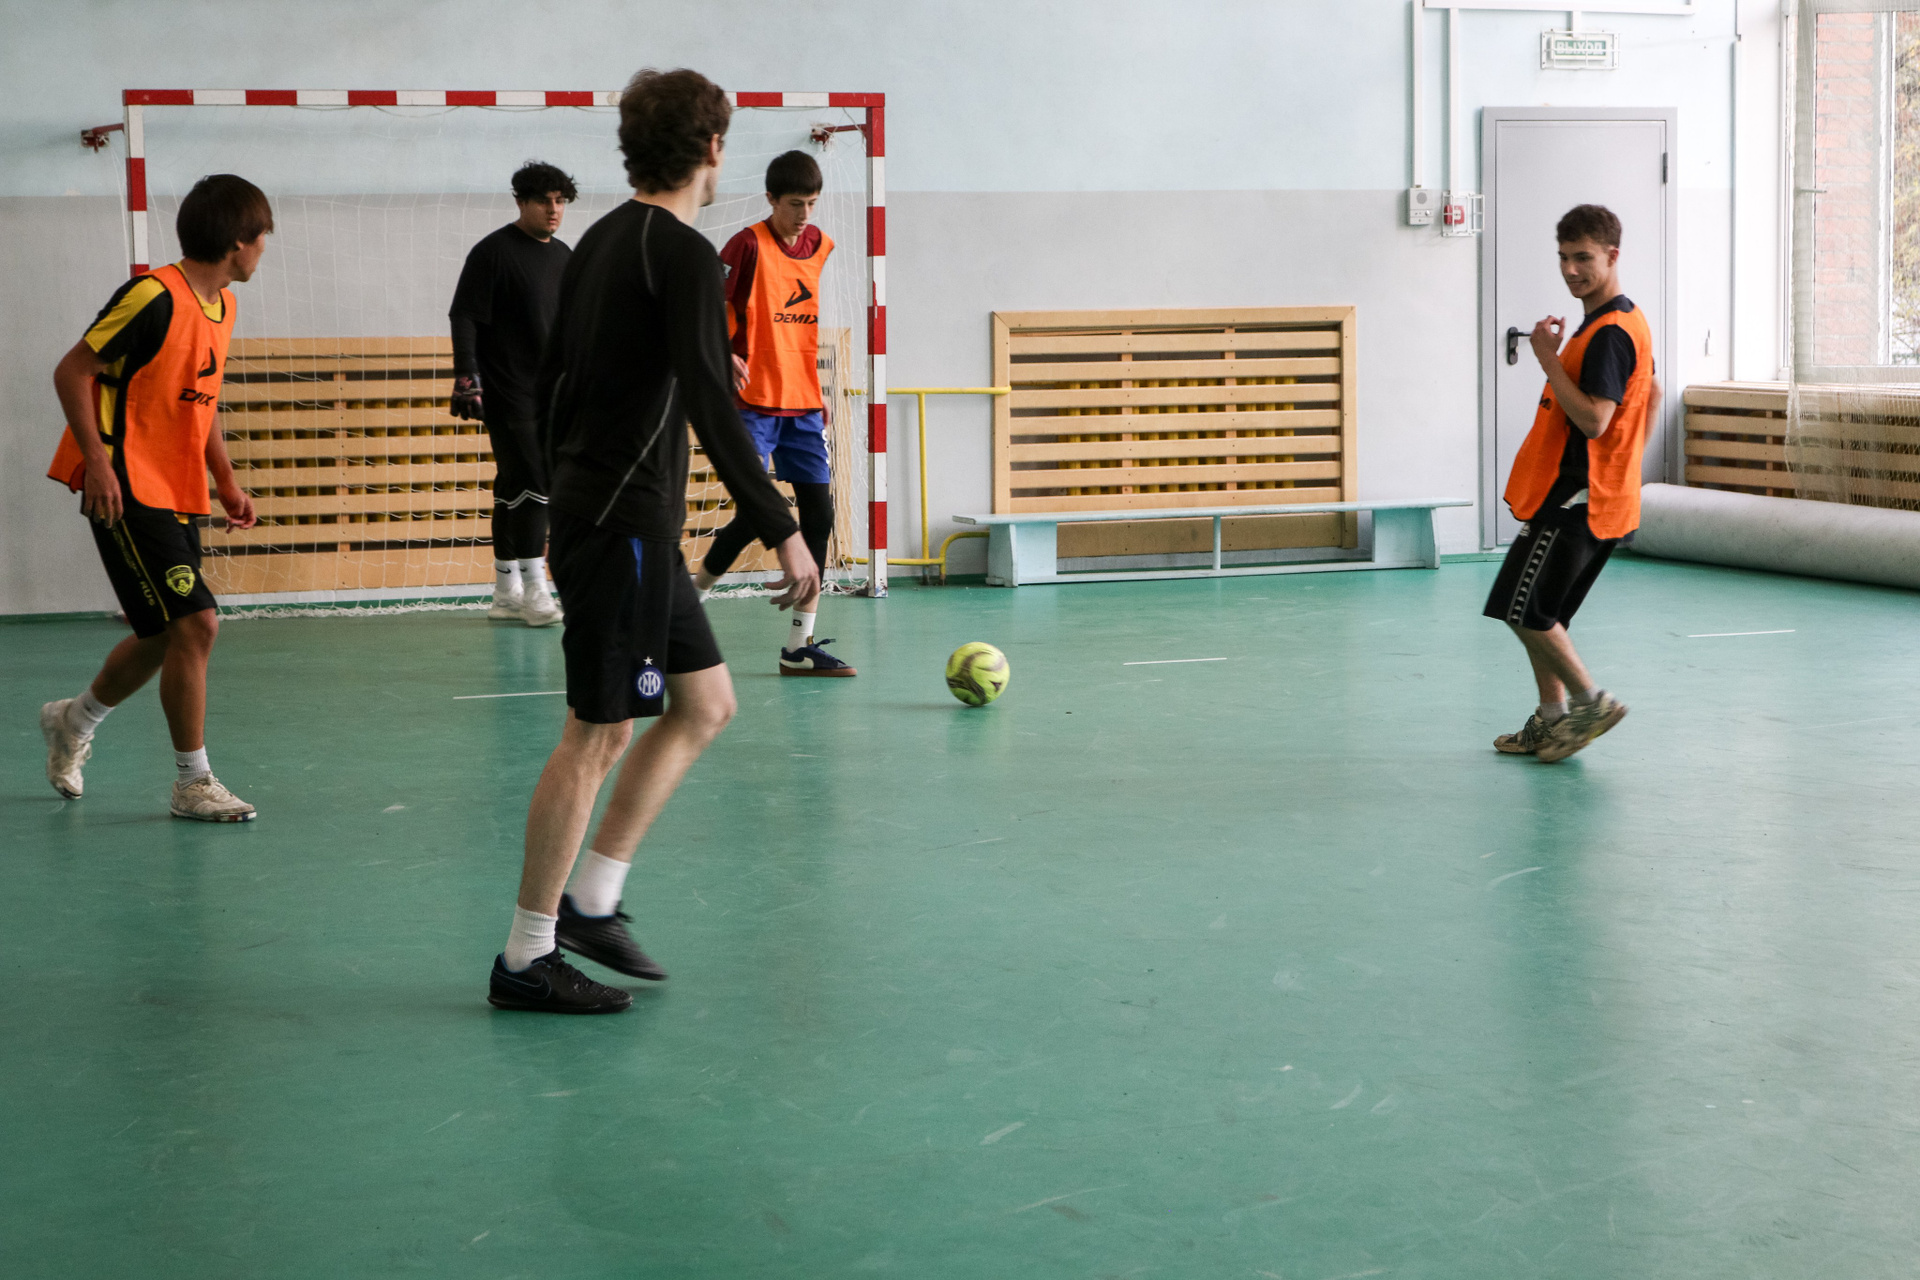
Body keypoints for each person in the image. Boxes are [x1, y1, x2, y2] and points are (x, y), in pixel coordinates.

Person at [487, 69, 820, 1014]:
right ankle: (526, 957)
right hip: (619, 525)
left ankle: (593, 900)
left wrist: (565, 494)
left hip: (622, 522)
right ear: (713, 147)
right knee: (595, 734)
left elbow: (553, 383)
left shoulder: (598, 239)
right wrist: (781, 527)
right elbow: (714, 400)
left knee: (706, 703)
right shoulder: (681, 253)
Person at [39, 174, 271, 821]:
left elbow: (202, 402)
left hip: (175, 489)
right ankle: (192, 783)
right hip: (122, 486)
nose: (263, 249)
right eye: (262, 237)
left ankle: (72, 721)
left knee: (161, 635)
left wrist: (225, 480)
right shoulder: (153, 295)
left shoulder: (222, 306)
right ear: (238, 240)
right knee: (197, 623)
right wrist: (97, 462)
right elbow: (72, 370)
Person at [1486, 203, 1661, 764]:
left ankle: (1591, 703)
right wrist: (1626, 468)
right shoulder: (1624, 321)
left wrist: (1547, 360)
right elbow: (1653, 394)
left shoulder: (1609, 333)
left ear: (1612, 255)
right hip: (1598, 495)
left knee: (1521, 609)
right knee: (1543, 615)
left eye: (1583, 257)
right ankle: (1552, 719)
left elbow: (1594, 421)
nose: (1570, 270)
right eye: (1563, 257)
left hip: (1577, 499)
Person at [691, 150, 855, 677]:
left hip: (803, 403)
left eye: (811, 203)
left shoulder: (820, 245)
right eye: (794, 204)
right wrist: (723, 350)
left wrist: (814, 386)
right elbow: (706, 304)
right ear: (770, 199)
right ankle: (689, 604)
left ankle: (798, 646)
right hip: (753, 402)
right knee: (756, 510)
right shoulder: (745, 245)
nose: (804, 214)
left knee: (820, 517)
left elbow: (801, 325)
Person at [449, 160, 577, 626]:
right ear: (521, 202)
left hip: (552, 395)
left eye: (560, 201)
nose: (553, 209)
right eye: (543, 201)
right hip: (507, 392)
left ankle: (506, 593)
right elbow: (464, 315)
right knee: (537, 484)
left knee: (512, 490)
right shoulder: (492, 252)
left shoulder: (564, 255)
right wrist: (467, 376)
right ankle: (537, 590)